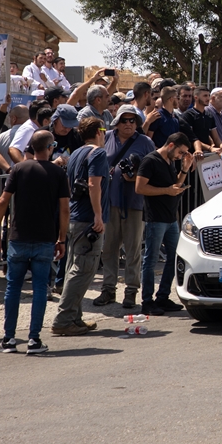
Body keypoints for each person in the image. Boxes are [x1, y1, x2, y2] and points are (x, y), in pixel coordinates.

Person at [0, 131, 69, 355]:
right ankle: (34, 339)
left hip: (18, 237)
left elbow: (3, 200)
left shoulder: (19, 169)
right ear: (50, 147)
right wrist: (62, 238)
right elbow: (64, 209)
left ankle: (9, 338)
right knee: (40, 289)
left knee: (13, 287)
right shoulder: (58, 173)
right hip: (45, 238)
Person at [95, 106, 156, 309]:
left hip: (135, 203)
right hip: (110, 201)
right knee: (109, 249)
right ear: (117, 122)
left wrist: (136, 176)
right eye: (124, 120)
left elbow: (153, 169)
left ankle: (131, 291)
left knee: (133, 249)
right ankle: (108, 289)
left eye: (132, 120)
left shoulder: (145, 142)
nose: (128, 124)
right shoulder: (107, 137)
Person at [52, 118, 108, 336]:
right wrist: (98, 215)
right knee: (83, 269)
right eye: (103, 130)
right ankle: (64, 319)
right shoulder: (98, 153)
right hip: (87, 219)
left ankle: (74, 317)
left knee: (74, 267)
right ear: (98, 132)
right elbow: (94, 184)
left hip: (76, 218)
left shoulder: (76, 153)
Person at [135, 132, 195, 316]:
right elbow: (140, 187)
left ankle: (163, 297)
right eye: (180, 152)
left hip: (170, 218)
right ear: (171, 145)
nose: (180, 156)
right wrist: (166, 191)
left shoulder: (170, 161)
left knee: (173, 258)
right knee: (151, 260)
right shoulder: (150, 160)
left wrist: (184, 169)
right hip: (156, 218)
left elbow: (174, 187)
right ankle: (147, 301)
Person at [182, 88, 222, 155]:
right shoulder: (188, 115)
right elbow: (191, 138)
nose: (208, 98)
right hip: (193, 154)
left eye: (208, 95)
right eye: (205, 96)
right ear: (196, 97)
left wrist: (221, 146)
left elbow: (216, 137)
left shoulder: (209, 115)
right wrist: (209, 148)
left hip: (207, 154)